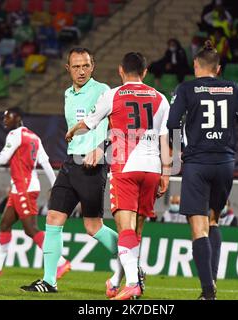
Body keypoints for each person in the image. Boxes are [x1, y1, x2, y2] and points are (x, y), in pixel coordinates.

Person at [166, 41, 238, 300]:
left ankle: (207, 290)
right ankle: (211, 285)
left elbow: (171, 123)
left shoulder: (186, 89)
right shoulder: (233, 88)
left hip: (197, 164)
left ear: (195, 66)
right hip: (225, 164)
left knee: (198, 228)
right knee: (213, 221)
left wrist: (176, 150)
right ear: (219, 68)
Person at [65, 52, 172, 300]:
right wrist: (167, 174)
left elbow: (88, 123)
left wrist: (72, 130)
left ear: (121, 71)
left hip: (125, 167)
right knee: (135, 232)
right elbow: (166, 139)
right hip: (153, 168)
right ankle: (116, 281)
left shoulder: (112, 94)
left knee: (124, 228)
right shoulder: (161, 99)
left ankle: (133, 283)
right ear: (144, 72)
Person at [21, 48, 123, 295]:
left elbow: (118, 128)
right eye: (76, 66)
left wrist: (101, 149)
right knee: (53, 219)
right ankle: (49, 281)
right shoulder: (67, 93)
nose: (81, 71)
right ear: (68, 69)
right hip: (70, 163)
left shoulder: (103, 91)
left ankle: (132, 262)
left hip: (92, 166)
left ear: (93, 66)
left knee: (93, 226)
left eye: (85, 66)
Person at [0, 107, 70, 279]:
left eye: (8, 116)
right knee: (5, 225)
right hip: (20, 188)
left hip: (24, 188)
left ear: (18, 118)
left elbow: (4, 158)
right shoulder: (35, 137)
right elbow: (46, 163)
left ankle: (61, 262)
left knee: (31, 229)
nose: (5, 119)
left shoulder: (15, 135)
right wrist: (55, 184)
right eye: (4, 117)